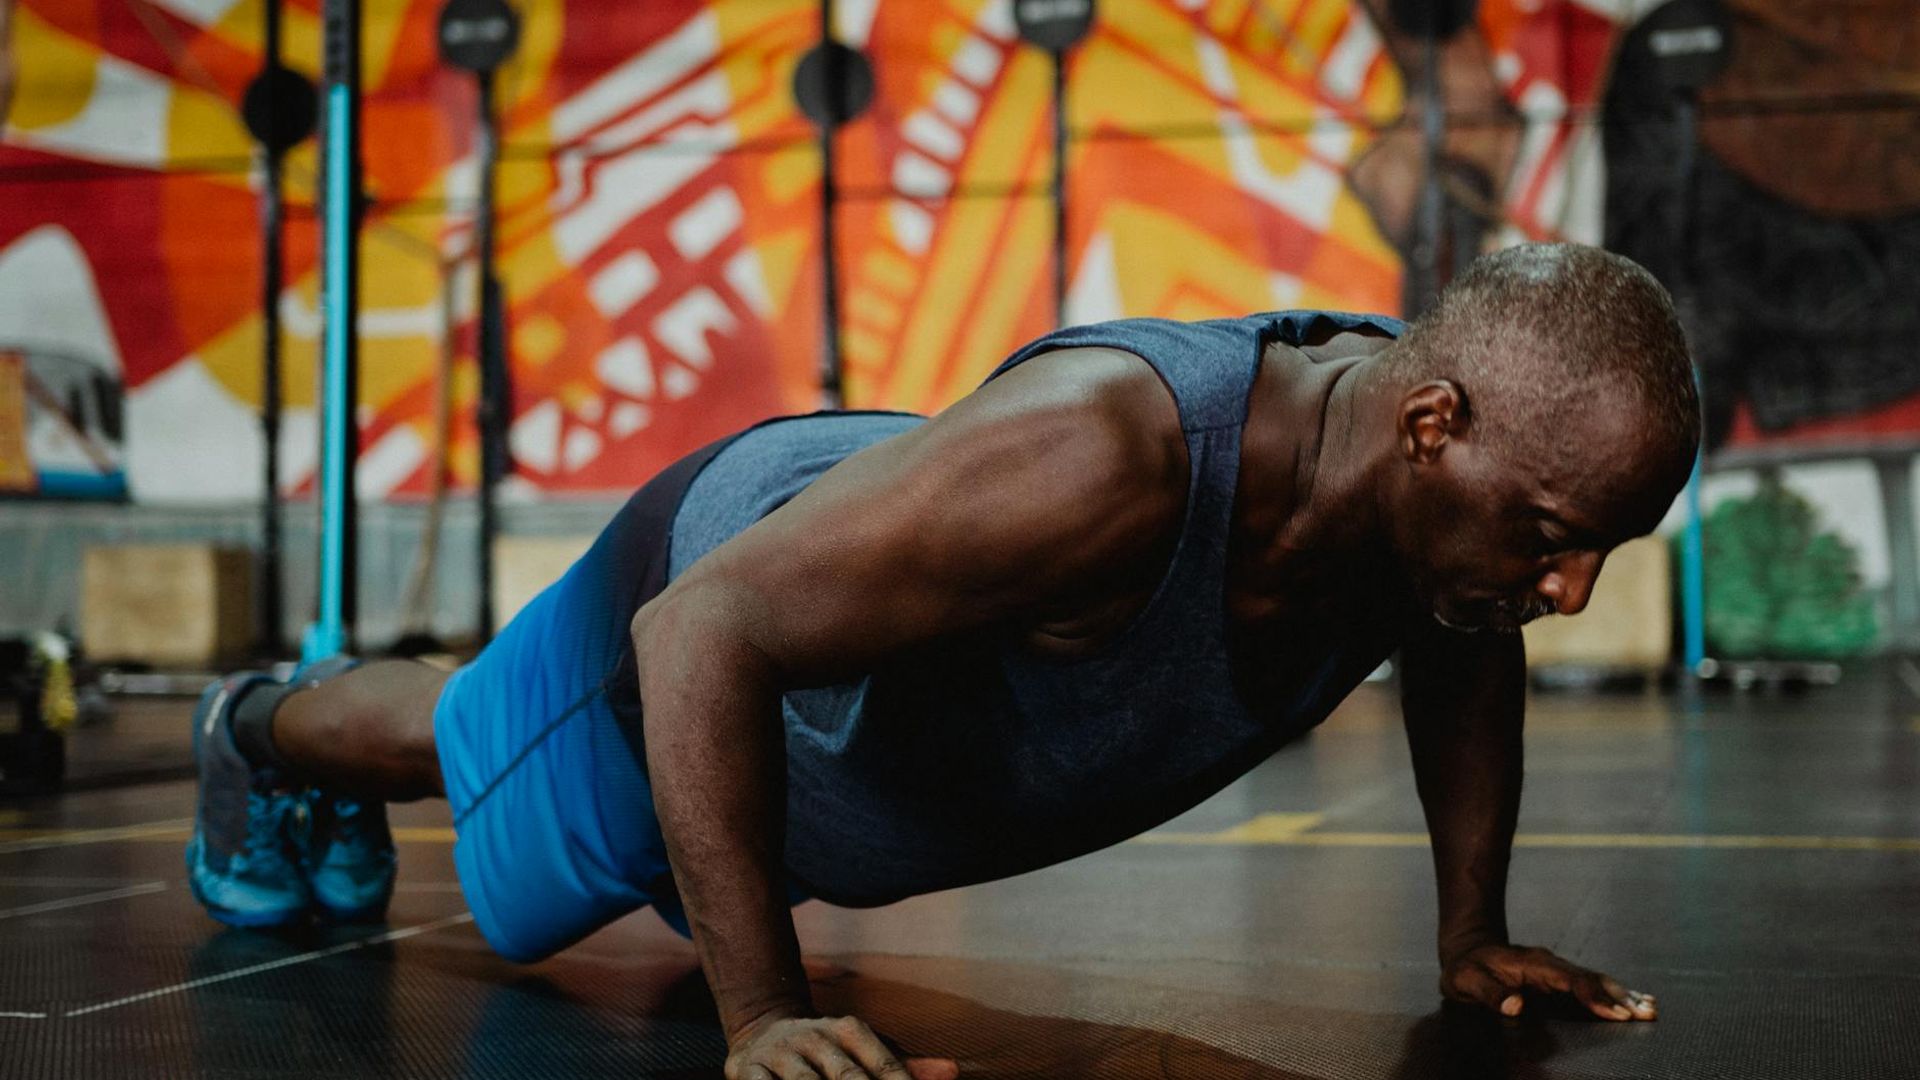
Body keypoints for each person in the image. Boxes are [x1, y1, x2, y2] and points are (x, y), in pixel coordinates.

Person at [188, 243, 1695, 1080]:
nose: (1569, 588)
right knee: (466, 757)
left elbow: (1460, 640)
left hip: (857, 628)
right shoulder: (1117, 451)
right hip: (705, 611)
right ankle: (254, 730)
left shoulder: (1430, 506)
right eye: (1557, 534)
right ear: (1432, 429)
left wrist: (1471, 928)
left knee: (504, 755)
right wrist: (764, 1013)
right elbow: (700, 632)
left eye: (1602, 551)